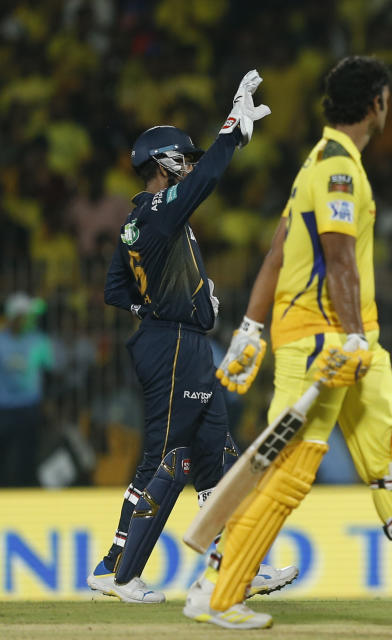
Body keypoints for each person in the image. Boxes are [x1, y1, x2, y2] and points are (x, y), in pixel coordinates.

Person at [189, 55, 392, 630]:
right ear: (377, 103)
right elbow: (338, 258)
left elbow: (279, 251)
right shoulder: (338, 169)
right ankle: (218, 590)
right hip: (326, 340)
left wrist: (254, 327)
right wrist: (352, 336)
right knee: (286, 468)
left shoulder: (318, 163)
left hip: (349, 341)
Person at [87, 70, 294, 603]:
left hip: (178, 338)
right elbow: (206, 182)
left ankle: (237, 566)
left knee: (216, 456)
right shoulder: (160, 210)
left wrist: (158, 305)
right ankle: (117, 570)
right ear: (165, 165)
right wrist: (233, 129)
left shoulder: (141, 219)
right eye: (186, 156)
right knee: (164, 458)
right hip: (174, 343)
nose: (193, 164)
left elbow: (115, 289)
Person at [0, 292, 54, 486]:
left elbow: (50, 375)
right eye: (25, 315)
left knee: (27, 457)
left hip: (29, 408)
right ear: (15, 317)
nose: (30, 319)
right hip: (3, 409)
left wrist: (48, 401)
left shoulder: (39, 341)